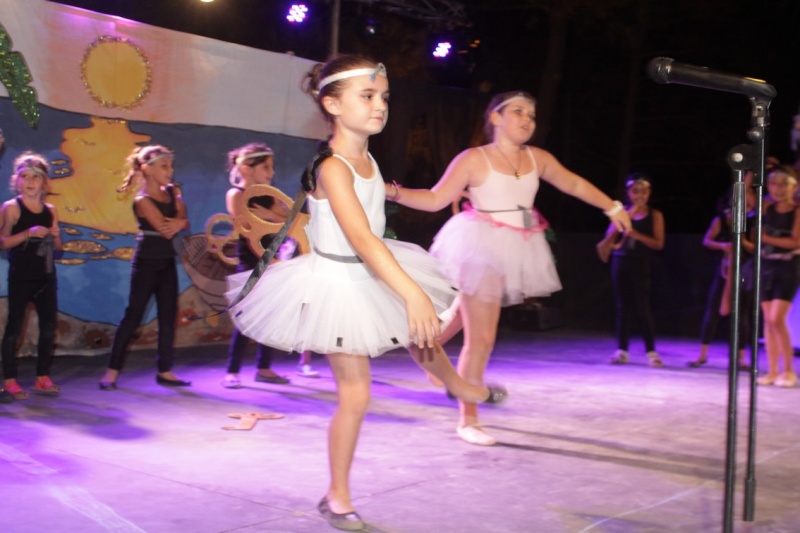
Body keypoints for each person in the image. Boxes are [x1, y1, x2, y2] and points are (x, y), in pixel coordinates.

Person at [226, 55, 505, 531]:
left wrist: (405, 281)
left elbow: (375, 226)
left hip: (370, 272)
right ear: (333, 105)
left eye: (384, 97)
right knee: (357, 396)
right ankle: (337, 497)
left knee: (420, 335)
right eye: (368, 96)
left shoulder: (368, 160)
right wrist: (411, 292)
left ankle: (457, 386)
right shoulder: (333, 168)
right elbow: (361, 238)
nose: (380, 106)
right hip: (338, 283)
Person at [390, 91, 631, 446]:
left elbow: (574, 183)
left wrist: (612, 207)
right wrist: (393, 192)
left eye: (531, 114)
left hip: (518, 245)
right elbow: (436, 198)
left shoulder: (537, 158)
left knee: (463, 317)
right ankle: (468, 418)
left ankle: (427, 352)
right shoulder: (474, 158)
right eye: (518, 111)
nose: (527, 119)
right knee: (482, 338)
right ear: (496, 118)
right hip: (480, 245)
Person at [220, 142, 319, 388]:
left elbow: (289, 220)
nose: (271, 172)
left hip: (273, 260)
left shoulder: (269, 195)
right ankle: (232, 371)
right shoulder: (236, 194)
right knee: (246, 316)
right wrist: (271, 217)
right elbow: (245, 223)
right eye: (266, 167)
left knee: (270, 315)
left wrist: (270, 216)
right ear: (247, 169)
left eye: (271, 167)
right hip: (250, 262)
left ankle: (264, 367)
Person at [98, 145, 191, 390]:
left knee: (168, 316)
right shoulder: (142, 200)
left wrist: (180, 222)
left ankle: (165, 370)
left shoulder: (172, 193)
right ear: (146, 169)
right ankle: (111, 372)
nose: (170, 171)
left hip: (167, 262)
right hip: (147, 263)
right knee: (133, 316)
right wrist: (179, 222)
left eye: (170, 166)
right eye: (164, 166)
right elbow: (166, 228)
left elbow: (183, 219)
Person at [1, 152, 62, 400]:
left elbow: (58, 248)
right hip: (22, 276)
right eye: (24, 176)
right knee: (14, 328)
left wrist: (56, 236)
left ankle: (42, 377)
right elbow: (3, 242)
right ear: (17, 181)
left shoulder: (50, 210)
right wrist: (28, 233)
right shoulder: (12, 208)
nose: (29, 181)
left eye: (35, 177)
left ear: (44, 182)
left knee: (48, 328)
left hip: (45, 276)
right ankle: (10, 380)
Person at [596, 174, 665, 367]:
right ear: (628, 193)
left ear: (649, 193)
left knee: (643, 307)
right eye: (635, 191)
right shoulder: (621, 212)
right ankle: (622, 351)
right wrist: (628, 215)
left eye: (644, 191)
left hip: (641, 263)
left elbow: (659, 244)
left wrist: (636, 235)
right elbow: (608, 239)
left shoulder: (655, 215)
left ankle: (651, 352)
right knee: (622, 307)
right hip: (620, 261)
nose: (640, 195)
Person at [687, 186, 755, 369]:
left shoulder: (752, 221)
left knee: (742, 315)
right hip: (723, 270)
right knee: (713, 311)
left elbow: (755, 248)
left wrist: (741, 241)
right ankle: (702, 355)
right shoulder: (721, 220)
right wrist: (723, 245)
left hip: (745, 271)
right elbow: (707, 241)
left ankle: (741, 359)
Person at [756, 166, 800, 387]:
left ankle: (789, 371)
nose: (778, 189)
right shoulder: (766, 208)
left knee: (776, 318)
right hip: (767, 265)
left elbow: (795, 241)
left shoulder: (797, 211)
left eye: (784, 184)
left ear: (794, 187)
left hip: (788, 266)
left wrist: (767, 239)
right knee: (767, 319)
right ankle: (772, 371)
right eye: (774, 184)